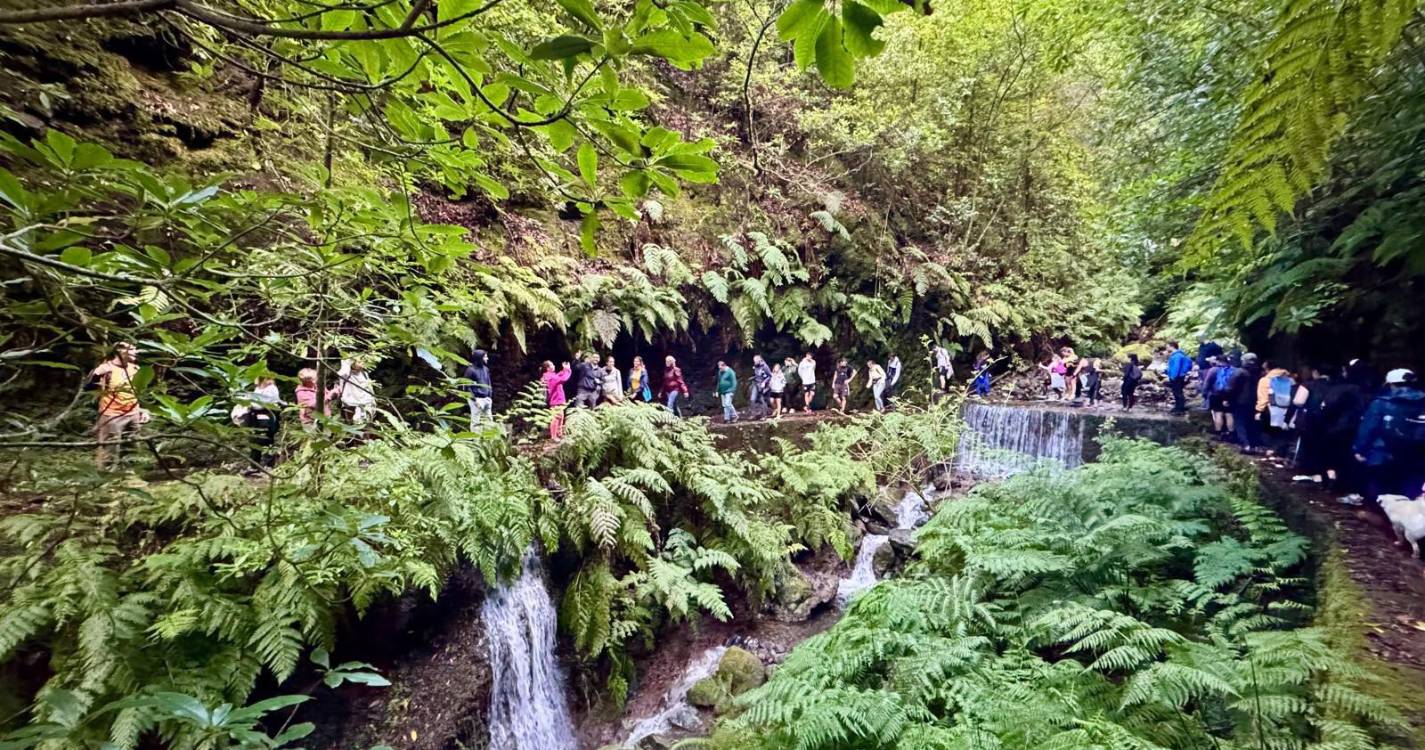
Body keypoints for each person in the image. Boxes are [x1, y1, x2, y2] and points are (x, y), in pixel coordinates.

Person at [1353, 369, 1425, 504]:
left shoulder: (1380, 403)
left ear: (1390, 384)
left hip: (1381, 455)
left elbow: (1368, 428)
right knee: (1409, 497)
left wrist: (1359, 449)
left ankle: (1377, 521)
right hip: (1416, 456)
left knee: (1378, 497)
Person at [90, 342, 150, 470]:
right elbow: (88, 386)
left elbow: (139, 392)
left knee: (132, 448)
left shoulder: (135, 369)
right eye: (132, 349)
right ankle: (106, 480)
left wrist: (143, 410)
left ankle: (131, 478)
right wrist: (96, 374)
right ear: (120, 351)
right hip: (112, 414)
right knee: (110, 450)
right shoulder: (106, 368)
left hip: (133, 413)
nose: (136, 352)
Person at [1229, 353, 1264, 453]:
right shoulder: (1259, 372)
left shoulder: (1239, 372)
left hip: (1240, 401)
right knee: (1252, 423)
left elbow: (1231, 387)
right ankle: (1254, 445)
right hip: (1255, 401)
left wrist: (1227, 398)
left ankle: (1245, 445)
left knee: (1240, 423)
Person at [1204, 356, 1235, 438]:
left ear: (1218, 361)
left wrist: (1205, 394)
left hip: (1216, 394)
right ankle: (1231, 432)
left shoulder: (1213, 370)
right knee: (1229, 414)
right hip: (1230, 394)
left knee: (1218, 413)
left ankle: (1219, 431)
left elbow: (1207, 383)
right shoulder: (1234, 370)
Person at [338, 359, 376, 423]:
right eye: (359, 362)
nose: (362, 363)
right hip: (351, 405)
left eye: (362, 361)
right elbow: (341, 373)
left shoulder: (364, 374)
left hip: (365, 404)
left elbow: (368, 389)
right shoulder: (346, 374)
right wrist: (348, 360)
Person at [541, 360, 572, 440]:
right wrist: (568, 370)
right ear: (548, 368)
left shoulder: (550, 375)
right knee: (556, 417)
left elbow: (559, 375)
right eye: (552, 365)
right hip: (555, 400)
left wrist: (564, 370)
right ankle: (554, 436)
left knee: (561, 416)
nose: (554, 366)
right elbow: (563, 378)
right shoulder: (549, 377)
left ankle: (559, 433)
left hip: (558, 399)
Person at [463, 349, 494, 427]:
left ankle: (489, 438)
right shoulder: (470, 370)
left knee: (489, 421)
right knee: (475, 421)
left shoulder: (486, 369)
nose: (487, 359)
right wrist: (474, 399)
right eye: (485, 357)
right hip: (476, 399)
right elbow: (466, 387)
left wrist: (489, 395)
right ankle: (476, 438)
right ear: (479, 358)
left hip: (486, 398)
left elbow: (488, 382)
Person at [1164, 341, 1193, 415]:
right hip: (1178, 376)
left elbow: (1176, 367)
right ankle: (1178, 406)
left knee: (1178, 392)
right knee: (1177, 392)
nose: (1166, 348)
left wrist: (1173, 376)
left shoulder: (1177, 356)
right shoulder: (1178, 355)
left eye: (1167, 346)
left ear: (1172, 346)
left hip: (1177, 377)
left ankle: (1180, 408)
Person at [751, 354, 772, 419]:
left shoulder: (765, 366)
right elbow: (757, 375)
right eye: (754, 361)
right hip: (756, 384)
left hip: (763, 385)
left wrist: (764, 382)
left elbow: (769, 376)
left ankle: (764, 415)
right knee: (752, 399)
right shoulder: (756, 366)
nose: (755, 362)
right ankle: (754, 414)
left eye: (756, 361)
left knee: (762, 399)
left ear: (760, 360)